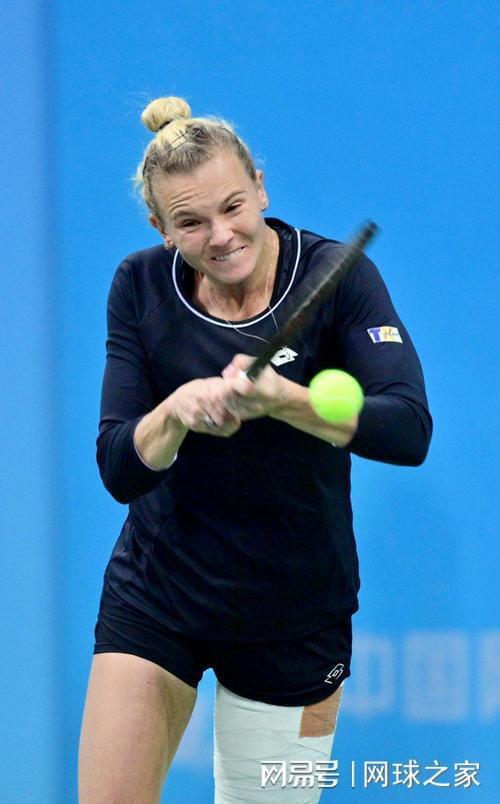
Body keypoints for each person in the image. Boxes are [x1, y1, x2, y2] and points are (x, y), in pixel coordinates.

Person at [78, 96, 432, 803]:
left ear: (261, 188)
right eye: (191, 222)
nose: (221, 235)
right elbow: (119, 466)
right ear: (160, 228)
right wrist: (175, 412)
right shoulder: (139, 285)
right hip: (160, 593)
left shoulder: (338, 276)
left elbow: (407, 429)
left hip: (295, 612)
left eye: (234, 206)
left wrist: (285, 402)